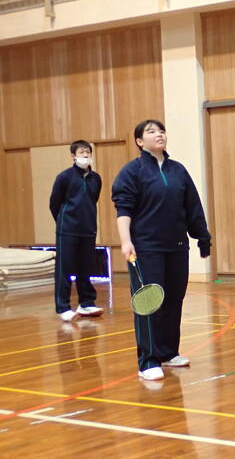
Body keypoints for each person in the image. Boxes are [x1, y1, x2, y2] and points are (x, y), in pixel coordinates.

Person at [111, 120, 212, 382]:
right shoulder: (132, 172)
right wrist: (126, 241)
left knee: (173, 299)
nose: (159, 134)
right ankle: (147, 361)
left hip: (176, 247)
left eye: (162, 130)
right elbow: (124, 208)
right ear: (139, 141)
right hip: (146, 248)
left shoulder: (178, 170)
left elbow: (193, 207)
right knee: (149, 303)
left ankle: (168, 352)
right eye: (151, 131)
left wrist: (203, 237)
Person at [50, 140, 104, 323]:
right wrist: (63, 222)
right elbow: (54, 203)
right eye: (82, 152)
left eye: (88, 152)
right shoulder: (64, 177)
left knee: (86, 267)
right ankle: (63, 307)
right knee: (64, 269)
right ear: (73, 156)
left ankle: (86, 303)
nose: (86, 155)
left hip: (88, 229)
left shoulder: (96, 179)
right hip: (67, 230)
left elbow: (93, 200)